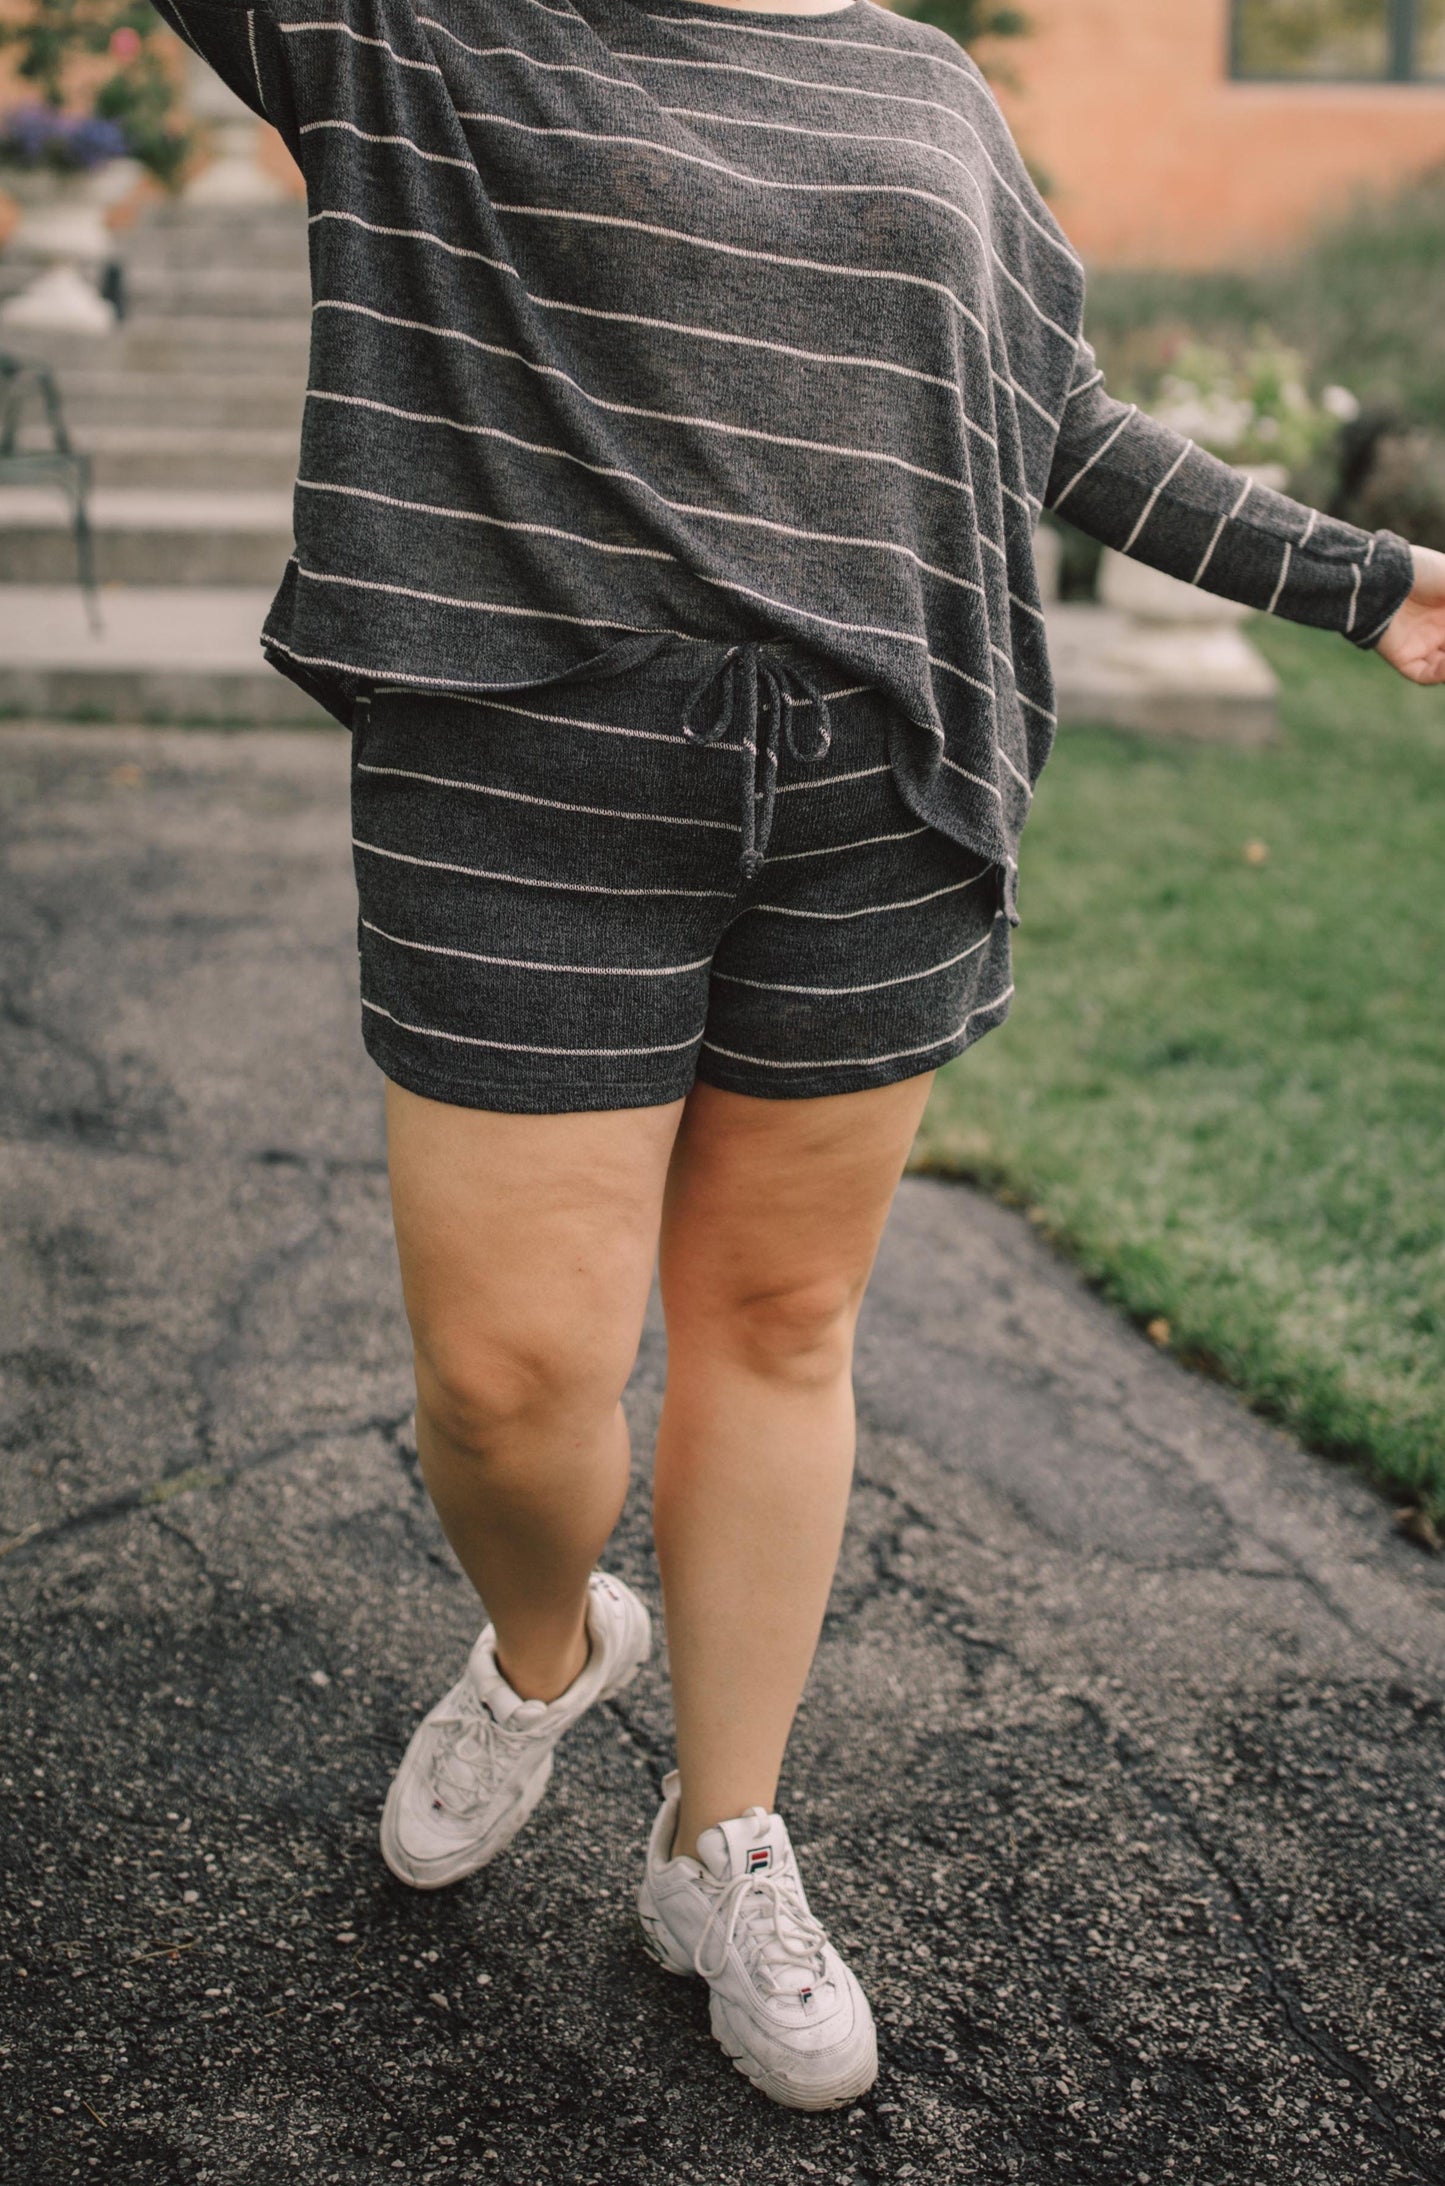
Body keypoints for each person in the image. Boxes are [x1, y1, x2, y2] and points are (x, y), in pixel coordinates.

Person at [156, 0, 1445, 2111]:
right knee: (508, 1379)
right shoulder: (413, 30)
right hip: (524, 774)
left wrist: (1365, 578)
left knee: (775, 1315)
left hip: (875, 788)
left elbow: (1056, 424)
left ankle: (717, 1839)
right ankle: (551, 1653)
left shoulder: (919, 80)